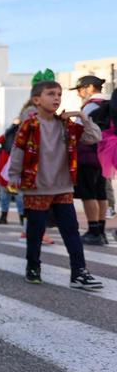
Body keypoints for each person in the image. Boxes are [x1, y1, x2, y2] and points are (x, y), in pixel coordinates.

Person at [7, 80, 104, 290]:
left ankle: (79, 272)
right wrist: (14, 176)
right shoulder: (30, 125)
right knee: (35, 231)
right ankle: (33, 267)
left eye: (59, 94)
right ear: (36, 100)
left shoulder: (67, 124)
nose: (57, 98)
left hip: (63, 187)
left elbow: (94, 137)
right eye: (51, 94)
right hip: (37, 187)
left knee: (71, 230)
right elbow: (18, 150)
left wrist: (83, 117)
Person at [70, 75, 111, 245]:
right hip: (105, 155)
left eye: (80, 89)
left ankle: (93, 230)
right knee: (101, 193)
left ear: (89, 87)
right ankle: (101, 231)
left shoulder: (89, 107)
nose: (79, 93)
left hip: (88, 155)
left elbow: (78, 131)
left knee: (89, 194)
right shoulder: (109, 104)